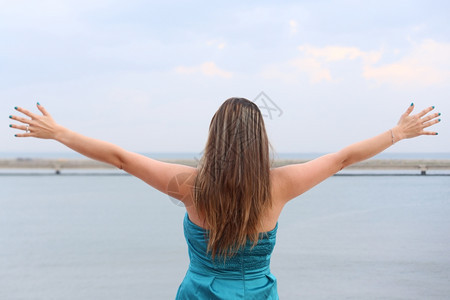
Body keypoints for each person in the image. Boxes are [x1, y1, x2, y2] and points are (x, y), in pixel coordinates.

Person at [9, 98, 441, 299]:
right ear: (260, 140)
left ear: (214, 137)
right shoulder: (280, 185)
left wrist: (59, 133)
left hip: (198, 294)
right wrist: (397, 133)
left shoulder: (191, 185)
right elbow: (342, 158)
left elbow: (121, 158)